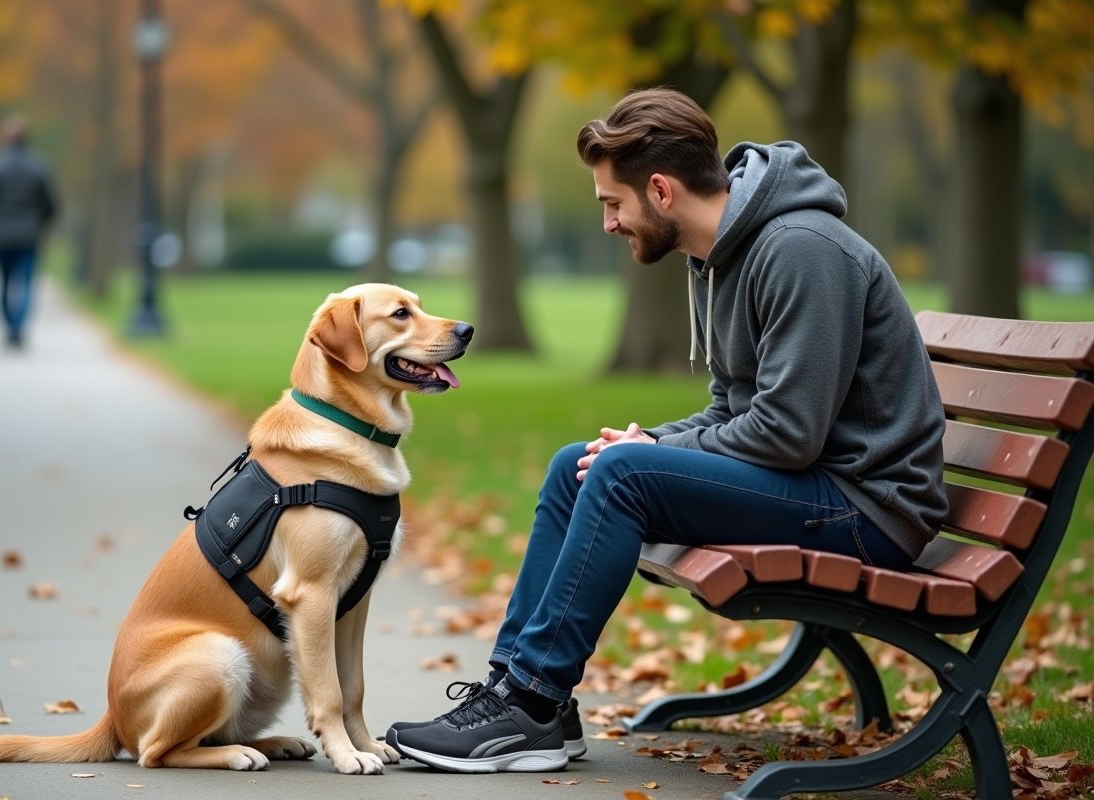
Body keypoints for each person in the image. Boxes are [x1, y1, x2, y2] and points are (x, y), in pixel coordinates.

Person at [386, 88, 948, 773]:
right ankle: (521, 695)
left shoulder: (801, 251)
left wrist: (650, 452)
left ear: (660, 190)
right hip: (816, 483)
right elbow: (729, 409)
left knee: (622, 472)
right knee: (580, 463)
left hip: (870, 508)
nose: (608, 224)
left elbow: (789, 433)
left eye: (611, 204)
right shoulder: (716, 256)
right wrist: (645, 442)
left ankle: (532, 700)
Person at [0, 115, 58, 348]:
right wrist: (43, 223)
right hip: (29, 233)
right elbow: (50, 202)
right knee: (27, 283)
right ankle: (18, 328)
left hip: (1, 233)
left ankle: (10, 327)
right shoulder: (39, 165)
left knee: (4, 282)